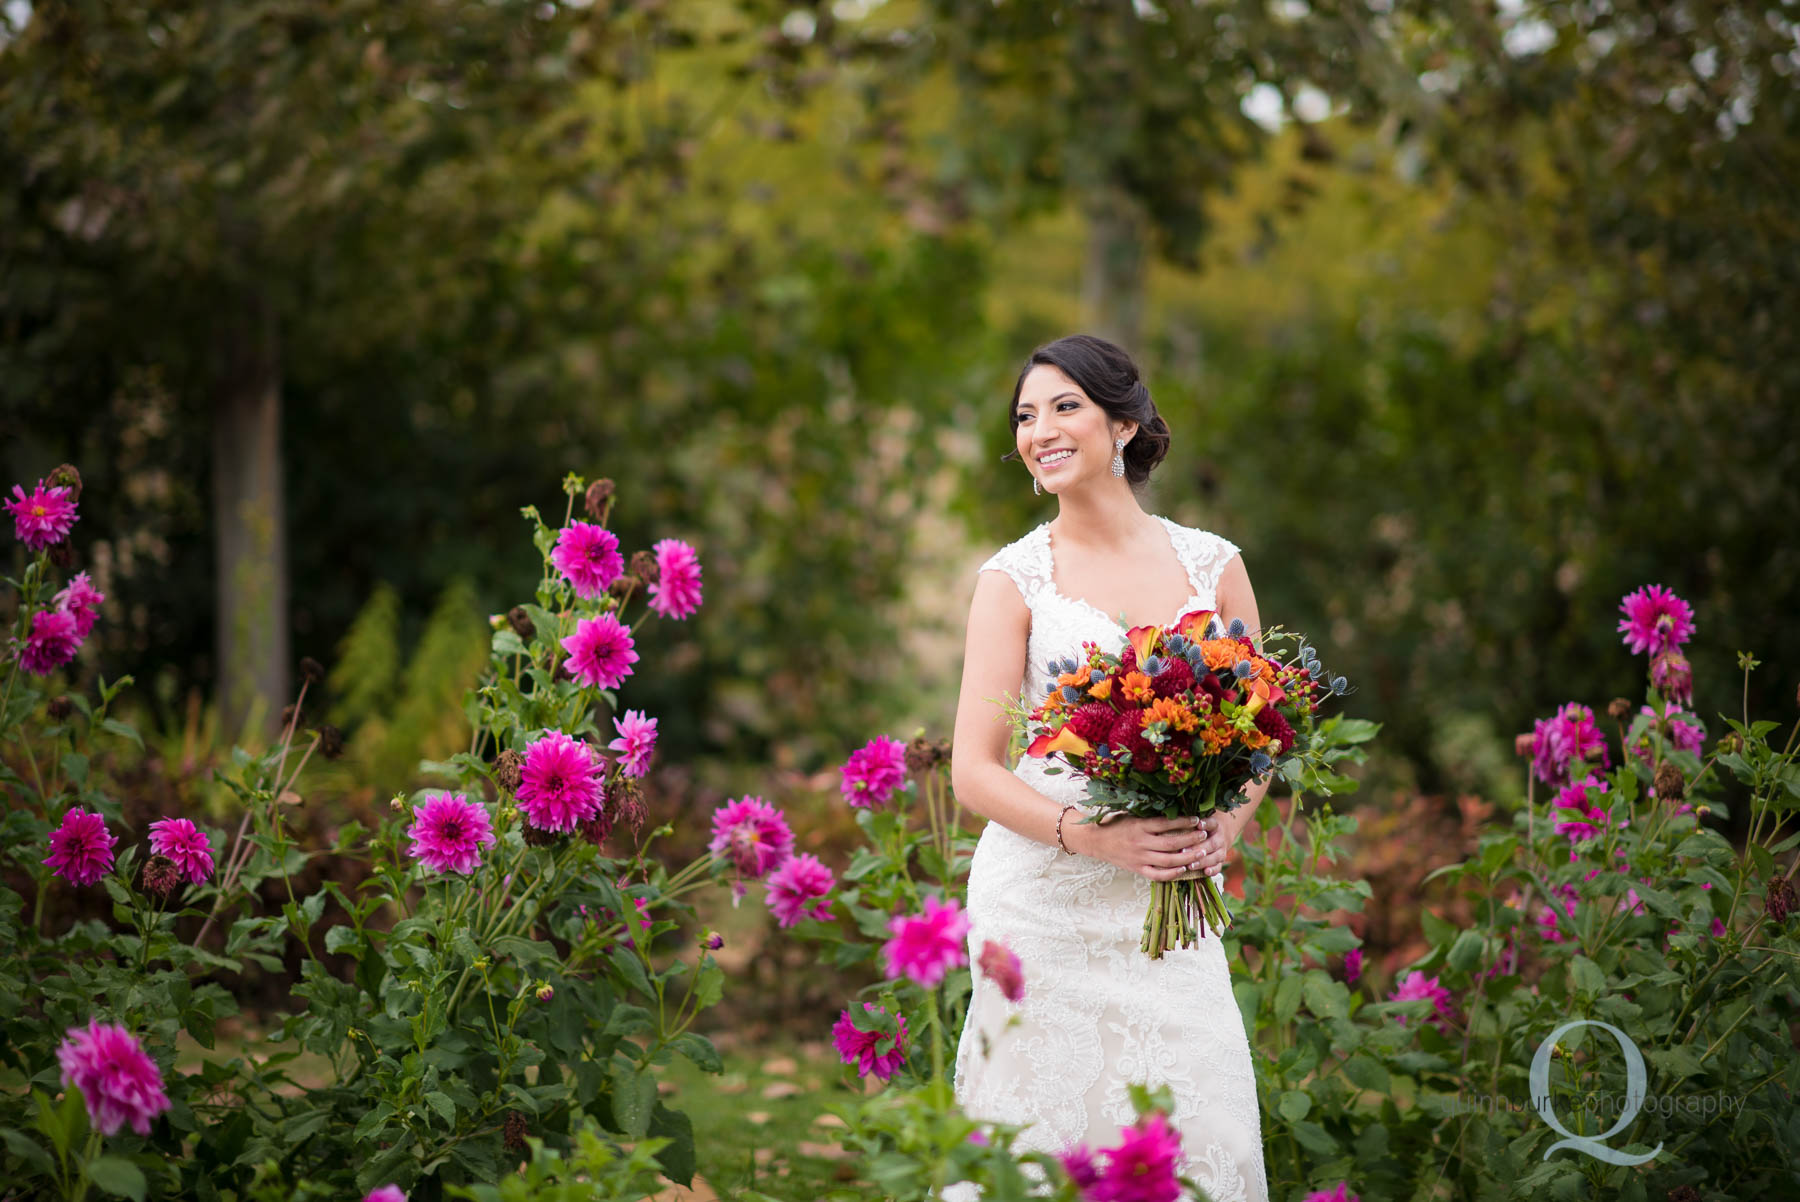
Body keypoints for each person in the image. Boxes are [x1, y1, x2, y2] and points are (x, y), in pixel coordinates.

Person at [946, 334, 1270, 1202]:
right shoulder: (1013, 580)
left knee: (1204, 1131)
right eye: (1024, 415)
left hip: (1173, 899)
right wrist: (1093, 839)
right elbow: (972, 772)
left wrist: (1219, 831)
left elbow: (1262, 731)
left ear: (1123, 422)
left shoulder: (1214, 565)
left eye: (1064, 407)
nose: (1039, 431)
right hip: (1041, 903)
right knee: (1041, 1151)